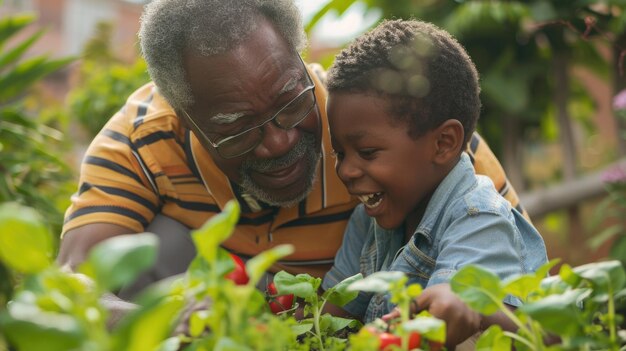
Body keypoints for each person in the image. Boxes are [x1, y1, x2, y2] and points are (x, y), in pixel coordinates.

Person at [57, 0, 527, 319]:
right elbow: (73, 284)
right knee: (155, 244)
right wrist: (163, 324)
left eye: (289, 101)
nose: (278, 142)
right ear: (183, 115)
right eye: (236, 126)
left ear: (300, 58)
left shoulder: (403, 133)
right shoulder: (144, 139)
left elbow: (516, 273)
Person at [320, 19, 548, 348]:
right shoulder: (367, 222)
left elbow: (454, 310)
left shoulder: (479, 219)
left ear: (443, 143)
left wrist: (465, 304)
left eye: (367, 152)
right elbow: (329, 315)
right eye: (340, 153)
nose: (346, 171)